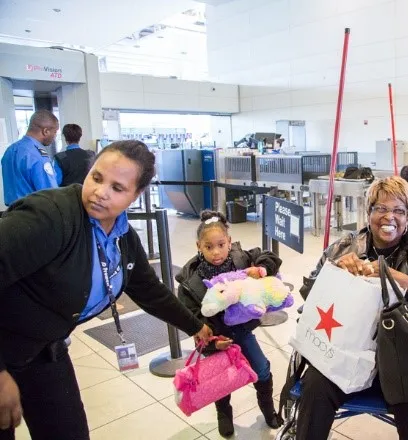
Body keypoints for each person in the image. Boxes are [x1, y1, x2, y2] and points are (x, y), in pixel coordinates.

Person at [0, 140, 213, 439]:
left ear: (137, 194)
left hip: (45, 350)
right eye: (97, 178)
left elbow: (147, 289)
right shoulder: (50, 215)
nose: (100, 193)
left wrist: (195, 327)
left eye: (117, 188)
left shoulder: (120, 234)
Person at [297, 176, 408, 440]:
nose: (389, 217)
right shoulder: (346, 246)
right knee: (315, 384)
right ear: (369, 211)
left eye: (398, 210)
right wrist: (335, 273)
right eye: (381, 209)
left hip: (405, 353)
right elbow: (308, 292)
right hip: (348, 349)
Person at [176, 210, 283, 437]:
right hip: (215, 337)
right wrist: (214, 343)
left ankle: (268, 410)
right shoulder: (190, 282)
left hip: (242, 331)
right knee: (220, 381)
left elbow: (270, 257)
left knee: (262, 369)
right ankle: (224, 415)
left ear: (229, 242)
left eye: (221, 244)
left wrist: (261, 269)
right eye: (208, 247)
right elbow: (191, 319)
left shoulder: (241, 258)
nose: (216, 252)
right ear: (199, 246)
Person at [1, 110, 59, 206]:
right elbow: (50, 194)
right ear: (45, 131)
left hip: (11, 214)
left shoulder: (10, 150)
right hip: (34, 214)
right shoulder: (38, 156)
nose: (55, 136)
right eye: (55, 132)